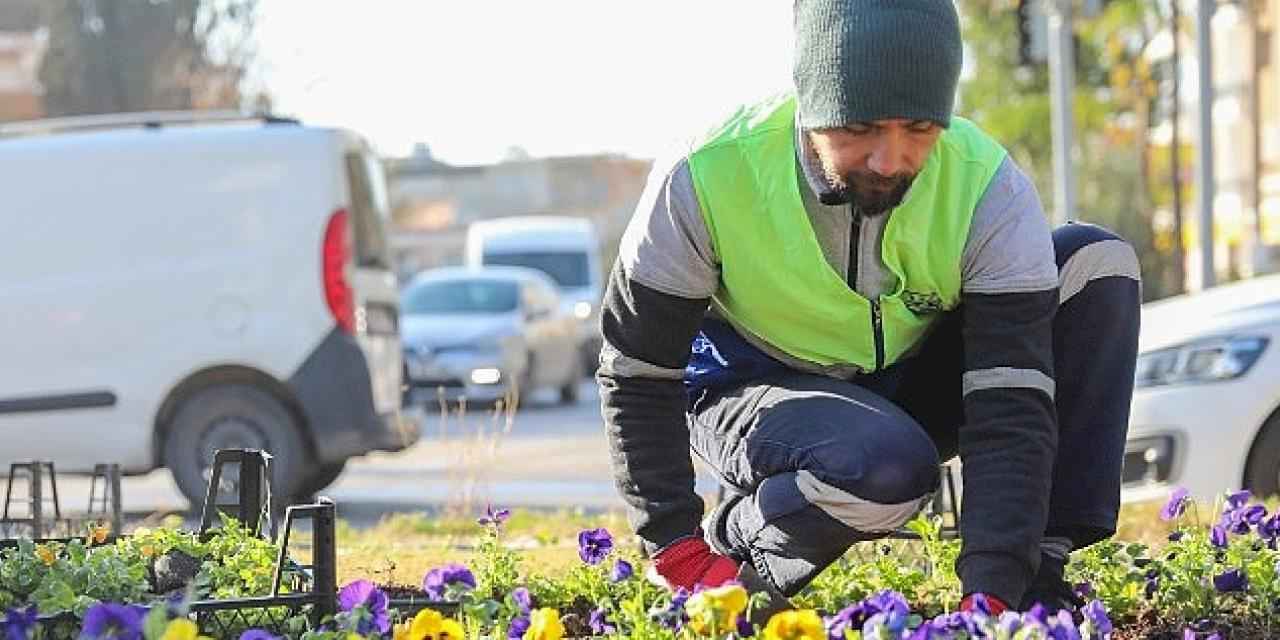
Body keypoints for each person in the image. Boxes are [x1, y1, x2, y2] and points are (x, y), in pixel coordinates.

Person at [596, 0, 1142, 617]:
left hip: (903, 379)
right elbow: (636, 376)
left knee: (1096, 263)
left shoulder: (988, 186)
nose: (891, 159)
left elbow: (1009, 401)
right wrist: (678, 549)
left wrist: (993, 589)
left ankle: (1038, 572)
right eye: (858, 129)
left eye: (919, 129)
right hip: (746, 383)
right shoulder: (703, 177)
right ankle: (741, 543)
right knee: (885, 472)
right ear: (811, 104)